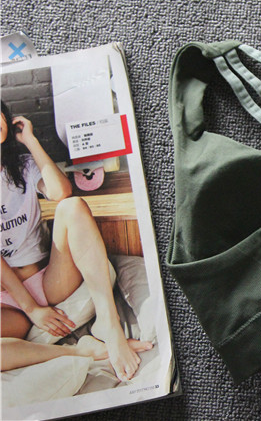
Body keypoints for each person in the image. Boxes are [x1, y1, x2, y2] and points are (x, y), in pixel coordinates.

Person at [1, 102, 151, 380]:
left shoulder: (22, 166)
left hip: (48, 282)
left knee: (72, 207)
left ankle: (109, 323)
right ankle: (81, 352)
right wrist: (32, 310)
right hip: (7, 305)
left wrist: (30, 141)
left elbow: (61, 192)